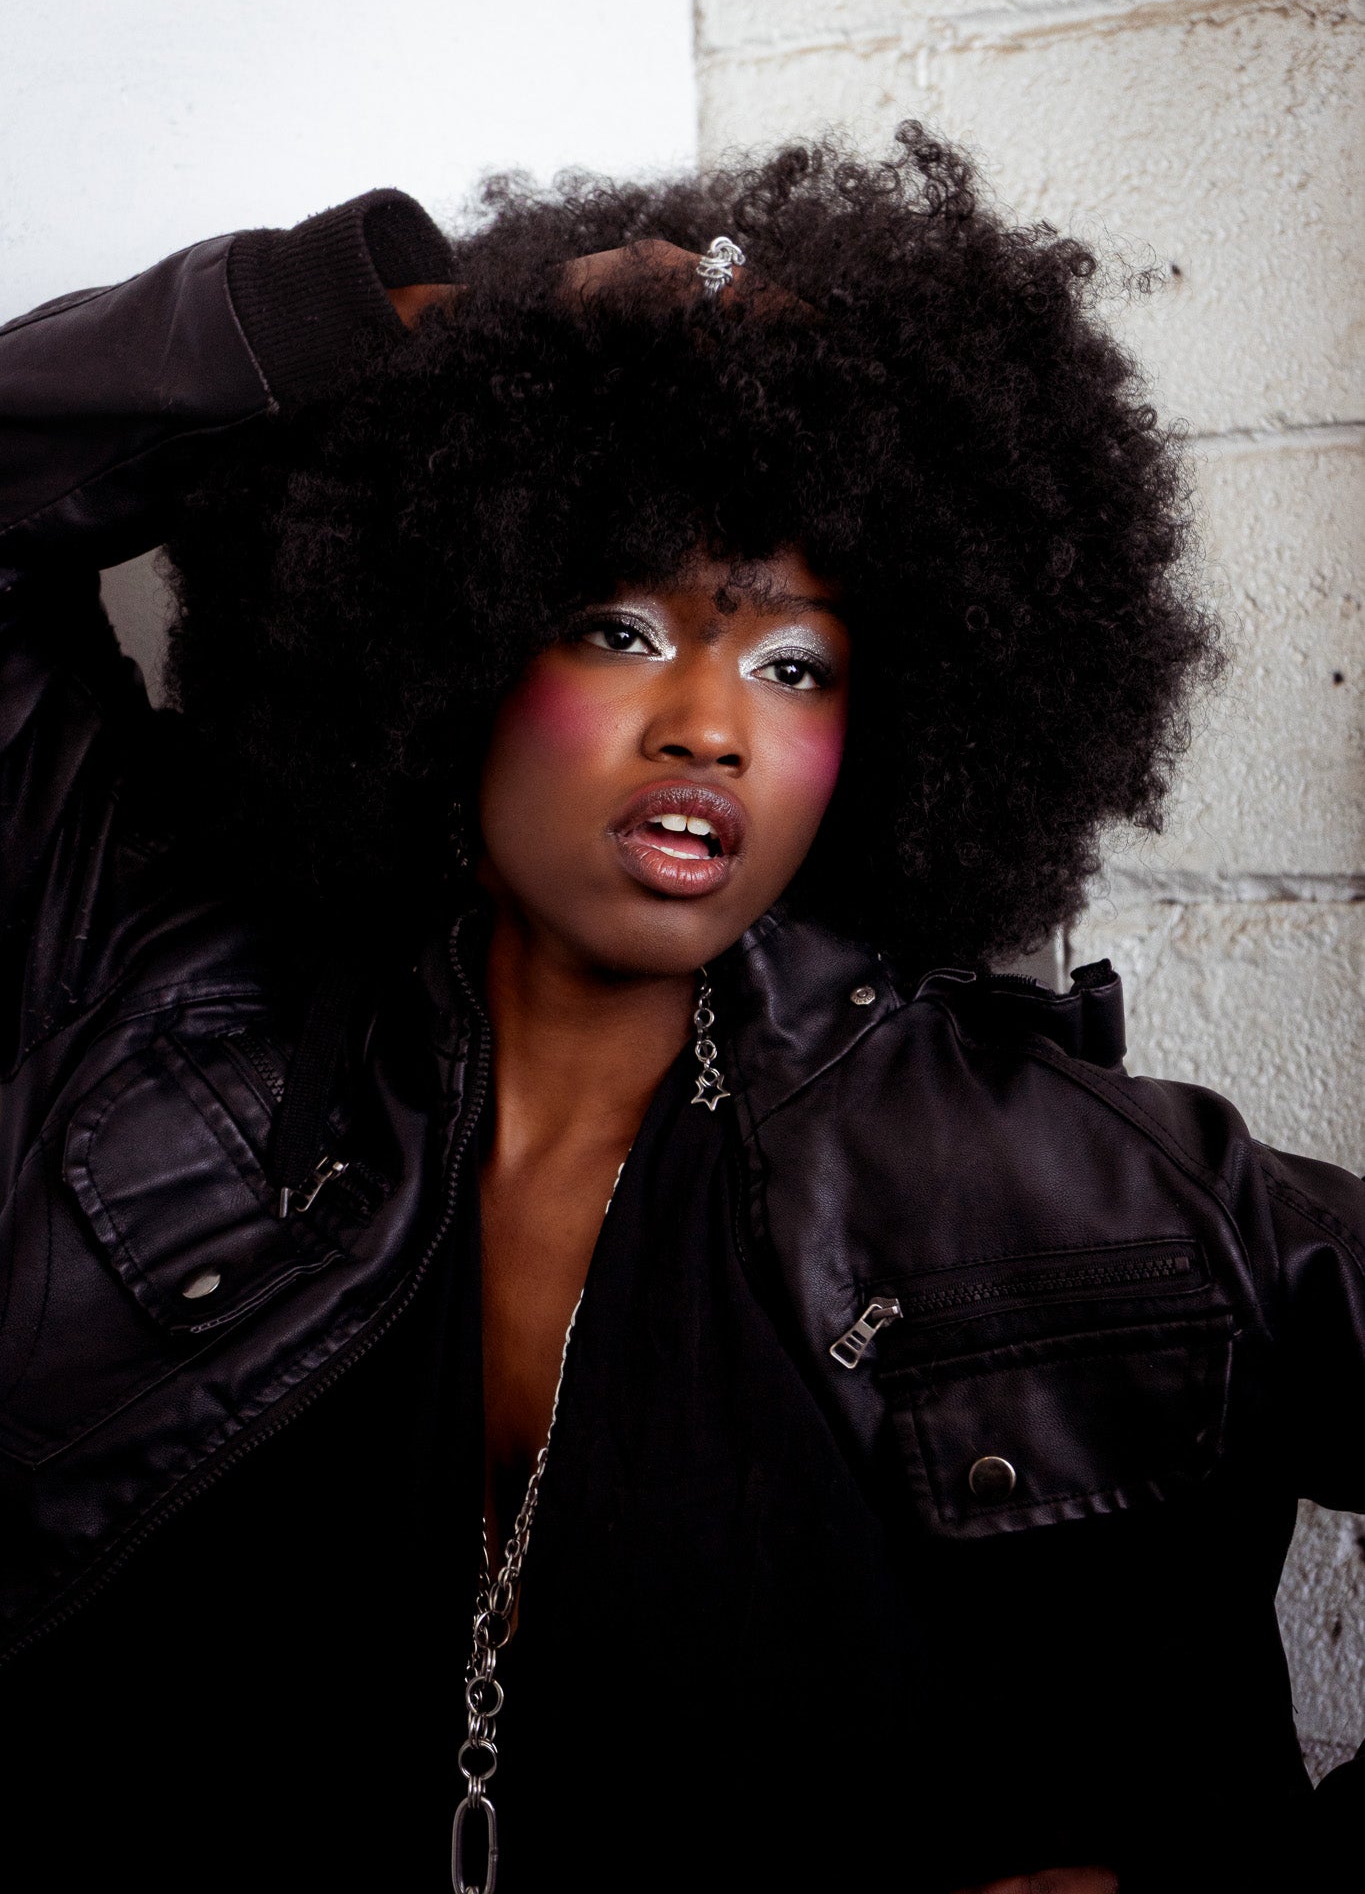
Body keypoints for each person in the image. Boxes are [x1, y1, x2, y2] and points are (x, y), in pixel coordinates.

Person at [0, 125, 1359, 1893]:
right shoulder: (155, 1002)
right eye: (623, 632)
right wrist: (422, 322)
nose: (711, 724)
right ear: (456, 641)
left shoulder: (1102, 1193)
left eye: (791, 662)